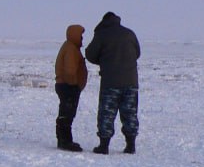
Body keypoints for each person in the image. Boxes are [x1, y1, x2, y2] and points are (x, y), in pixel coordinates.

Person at [84, 11, 141, 155]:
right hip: (131, 81)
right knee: (130, 113)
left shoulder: (102, 34)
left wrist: (105, 60)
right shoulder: (129, 34)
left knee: (107, 114)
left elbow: (90, 54)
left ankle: (103, 146)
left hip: (110, 82)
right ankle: (131, 145)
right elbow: (138, 53)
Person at [54, 24, 88, 152]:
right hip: (68, 86)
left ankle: (64, 140)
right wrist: (74, 85)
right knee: (66, 114)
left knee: (66, 114)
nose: (82, 38)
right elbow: (69, 70)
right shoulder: (71, 48)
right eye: (80, 35)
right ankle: (65, 141)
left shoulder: (70, 47)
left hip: (67, 85)